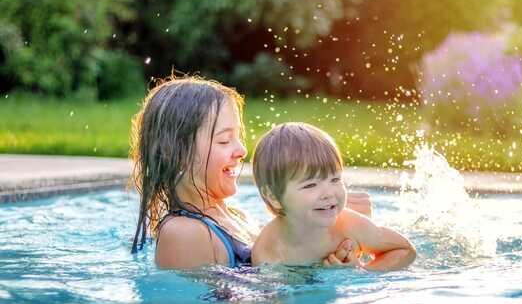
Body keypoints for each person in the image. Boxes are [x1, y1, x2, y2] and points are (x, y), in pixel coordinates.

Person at [130, 75, 370, 270]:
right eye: (224, 140)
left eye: (238, 136)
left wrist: (336, 235)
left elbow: (277, 269)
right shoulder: (183, 234)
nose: (242, 150)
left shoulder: (235, 215)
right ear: (175, 153)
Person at [251, 122, 416, 271]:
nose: (329, 193)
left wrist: (362, 271)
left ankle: (362, 211)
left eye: (335, 179)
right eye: (310, 185)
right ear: (273, 197)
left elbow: (406, 250)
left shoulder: (348, 227)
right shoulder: (268, 252)